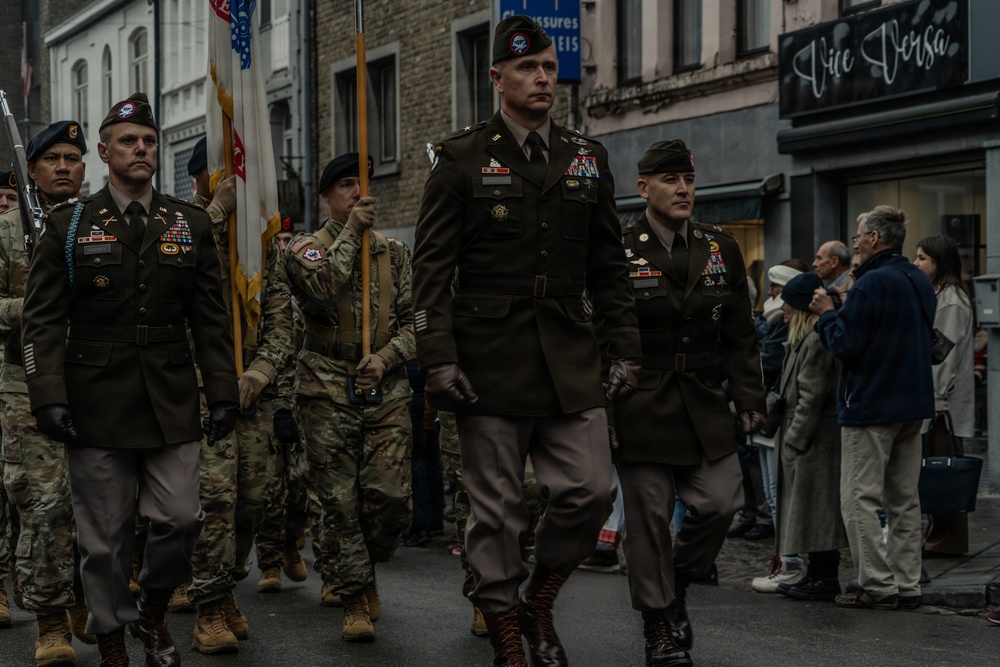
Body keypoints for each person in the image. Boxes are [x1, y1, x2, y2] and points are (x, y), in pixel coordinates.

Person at [413, 15, 640, 667]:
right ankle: (509, 627)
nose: (542, 78)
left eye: (547, 67)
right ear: (497, 78)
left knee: (590, 488)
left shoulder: (585, 157)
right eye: (526, 68)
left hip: (570, 357)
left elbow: (609, 266)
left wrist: (625, 346)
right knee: (497, 510)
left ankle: (540, 595)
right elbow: (430, 271)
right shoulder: (460, 158)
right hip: (488, 362)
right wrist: (438, 357)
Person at [19, 92, 240, 666]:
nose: (140, 149)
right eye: (127, 141)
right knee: (103, 541)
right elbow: (43, 320)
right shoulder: (71, 225)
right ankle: (114, 642)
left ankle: (155, 610)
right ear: (103, 152)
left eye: (148, 141)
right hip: (96, 401)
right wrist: (48, 397)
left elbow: (211, 316)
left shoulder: (187, 223)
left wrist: (221, 390)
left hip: (169, 397)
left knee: (180, 517)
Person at [612, 140, 765, 666]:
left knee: (723, 502)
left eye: (689, 181)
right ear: (644, 187)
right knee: (649, 519)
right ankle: (657, 623)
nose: (683, 189)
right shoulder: (617, 247)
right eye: (671, 179)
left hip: (701, 400)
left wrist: (749, 396)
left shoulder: (720, 247)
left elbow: (741, 334)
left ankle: (674, 580)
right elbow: (598, 332)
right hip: (640, 404)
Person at [252, 152, 415, 643]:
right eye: (346, 186)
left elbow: (416, 323)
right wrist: (351, 233)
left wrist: (387, 357)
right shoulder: (304, 248)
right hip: (324, 386)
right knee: (339, 503)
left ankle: (363, 564)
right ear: (326, 196)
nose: (357, 194)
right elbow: (322, 291)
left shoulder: (394, 253)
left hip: (384, 387)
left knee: (390, 498)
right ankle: (355, 596)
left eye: (362, 185)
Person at [0, 120, 97, 665]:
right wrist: (35, 308)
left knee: (100, 505)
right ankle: (50, 621)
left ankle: (84, 595)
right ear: (29, 168)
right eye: (52, 158)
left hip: (95, 381)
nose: (64, 166)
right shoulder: (6, 231)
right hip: (27, 384)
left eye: (73, 157)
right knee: (43, 505)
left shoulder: (100, 223)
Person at [809, 204, 935, 611]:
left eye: (860, 234)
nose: (856, 240)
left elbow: (845, 345)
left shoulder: (872, 283)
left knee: (860, 498)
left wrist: (828, 315)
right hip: (913, 401)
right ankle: (907, 583)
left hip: (872, 404)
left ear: (874, 238)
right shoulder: (917, 277)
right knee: (904, 499)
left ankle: (878, 585)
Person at [184, 135, 276, 655]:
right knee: (213, 503)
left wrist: (261, 370)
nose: (234, 184)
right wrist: (216, 215)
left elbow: (284, 319)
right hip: (199, 389)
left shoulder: (263, 238)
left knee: (251, 506)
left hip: (252, 392)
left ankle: (225, 584)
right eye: (222, 173)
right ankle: (209, 608)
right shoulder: (178, 224)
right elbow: (161, 266)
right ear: (200, 177)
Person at [769, 272, 848, 601]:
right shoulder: (802, 339)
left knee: (819, 508)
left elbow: (811, 397)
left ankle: (824, 575)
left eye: (788, 302)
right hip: (811, 436)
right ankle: (815, 573)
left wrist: (794, 440)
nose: (783, 307)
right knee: (811, 508)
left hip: (816, 438)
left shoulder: (814, 340)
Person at [913, 235, 975, 557]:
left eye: (922, 258)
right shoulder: (940, 295)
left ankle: (945, 542)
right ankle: (938, 538)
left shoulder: (950, 300)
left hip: (943, 405)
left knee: (943, 472)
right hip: (939, 402)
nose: (916, 263)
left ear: (938, 262)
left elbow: (943, 355)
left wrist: (936, 401)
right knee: (937, 471)